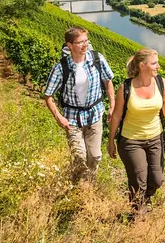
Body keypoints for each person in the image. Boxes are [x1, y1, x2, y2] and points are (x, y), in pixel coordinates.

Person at [108, 48, 165, 211]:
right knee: (139, 182)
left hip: (155, 138)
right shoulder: (126, 88)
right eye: (154, 63)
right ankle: (137, 215)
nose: (158, 66)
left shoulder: (161, 83)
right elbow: (117, 115)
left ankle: (144, 200)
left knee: (157, 179)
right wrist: (111, 141)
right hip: (131, 140)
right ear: (142, 65)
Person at [44, 27, 115, 182]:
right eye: (80, 42)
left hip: (94, 115)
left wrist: (112, 105)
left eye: (86, 41)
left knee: (95, 156)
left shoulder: (97, 59)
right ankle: (78, 187)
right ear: (69, 45)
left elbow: (108, 81)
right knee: (79, 157)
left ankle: (89, 185)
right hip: (72, 119)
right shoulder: (61, 68)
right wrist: (58, 117)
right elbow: (48, 95)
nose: (85, 45)